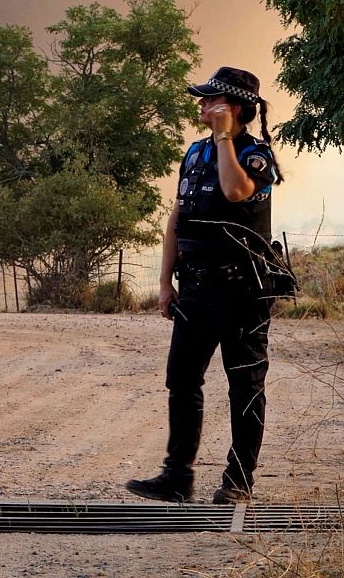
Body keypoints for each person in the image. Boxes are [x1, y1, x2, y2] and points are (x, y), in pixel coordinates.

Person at [128, 66, 283, 506]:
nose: (200, 106)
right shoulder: (194, 154)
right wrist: (164, 282)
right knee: (181, 378)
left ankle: (238, 482)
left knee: (245, 386)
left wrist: (224, 138)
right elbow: (176, 218)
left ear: (233, 108)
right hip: (194, 289)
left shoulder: (256, 154)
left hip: (243, 292)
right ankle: (177, 477)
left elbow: (236, 192)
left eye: (210, 100)